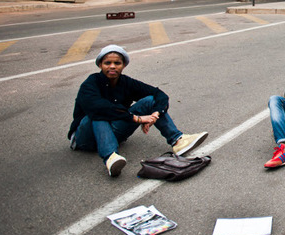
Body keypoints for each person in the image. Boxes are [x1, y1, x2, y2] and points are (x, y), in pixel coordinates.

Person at [68, 45, 208, 177]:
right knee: (98, 113)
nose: (112, 66)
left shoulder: (126, 82)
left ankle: (177, 140)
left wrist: (155, 114)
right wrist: (137, 119)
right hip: (86, 138)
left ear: (123, 66)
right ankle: (110, 157)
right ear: (100, 65)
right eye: (107, 63)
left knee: (149, 100)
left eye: (117, 63)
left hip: (114, 132)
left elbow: (159, 95)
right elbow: (98, 108)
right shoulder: (91, 83)